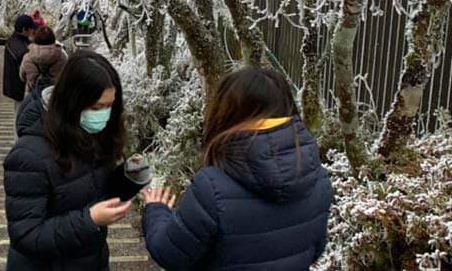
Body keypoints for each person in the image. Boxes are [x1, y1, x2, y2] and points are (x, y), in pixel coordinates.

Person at [141, 67, 333, 270]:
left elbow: (170, 254)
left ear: (226, 113)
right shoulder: (318, 178)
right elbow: (315, 249)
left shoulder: (211, 188)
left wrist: (156, 210)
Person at [4, 50, 148, 270]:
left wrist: (130, 177)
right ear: (71, 102)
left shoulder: (92, 135)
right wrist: (88, 220)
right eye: (96, 108)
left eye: (110, 106)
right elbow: (26, 235)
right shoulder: (28, 157)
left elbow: (95, 191)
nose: (104, 114)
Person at [20, 25, 68, 93]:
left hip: (35, 95)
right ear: (53, 39)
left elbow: (22, 77)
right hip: (55, 94)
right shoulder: (62, 56)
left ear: (36, 39)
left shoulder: (27, 57)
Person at [3, 14, 34, 104]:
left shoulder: (13, 40)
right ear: (24, 29)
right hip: (20, 89)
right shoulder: (20, 48)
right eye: (31, 28)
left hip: (15, 89)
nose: (33, 31)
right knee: (21, 114)